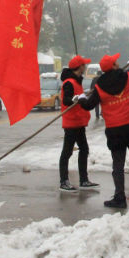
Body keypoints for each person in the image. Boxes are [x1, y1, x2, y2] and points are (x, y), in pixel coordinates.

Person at [78, 53, 129, 209]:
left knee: (118, 165)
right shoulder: (128, 77)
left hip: (116, 131)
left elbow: (89, 105)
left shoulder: (100, 87)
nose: (118, 63)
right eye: (116, 62)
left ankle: (120, 197)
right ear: (114, 66)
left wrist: (80, 98)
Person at [58, 55, 99, 192]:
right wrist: (76, 98)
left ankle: (84, 180)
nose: (86, 66)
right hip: (71, 123)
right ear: (80, 67)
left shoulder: (77, 81)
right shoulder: (69, 82)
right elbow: (66, 100)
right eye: (84, 64)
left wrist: (82, 96)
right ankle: (64, 181)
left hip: (79, 122)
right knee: (67, 152)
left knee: (84, 149)